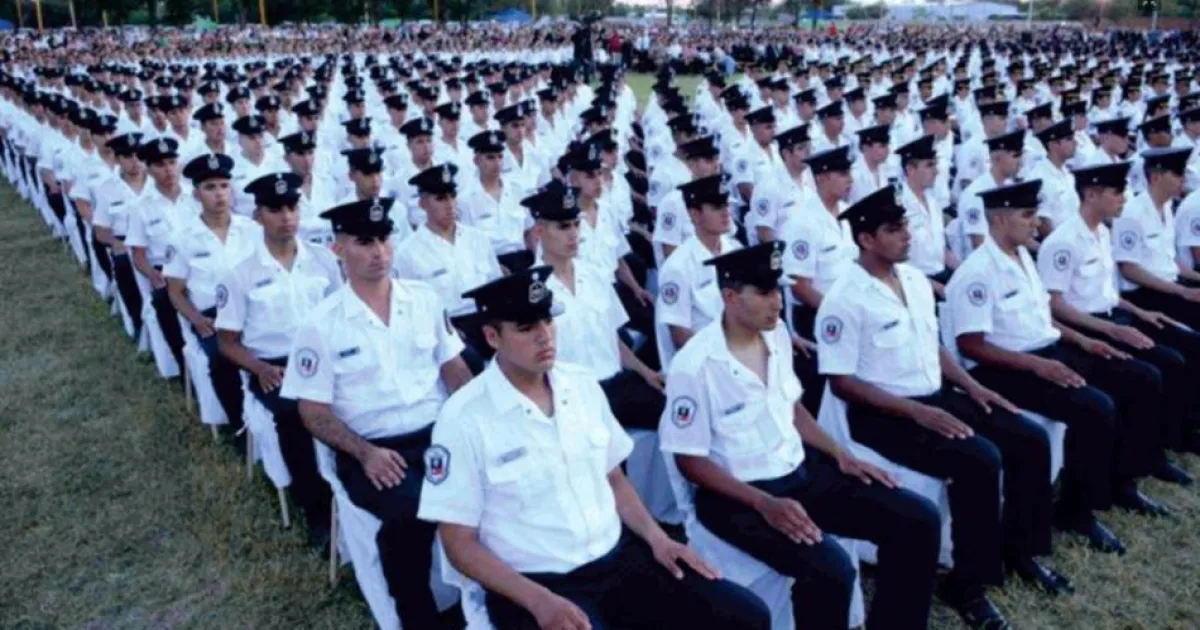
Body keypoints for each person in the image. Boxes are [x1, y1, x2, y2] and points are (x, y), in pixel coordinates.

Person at [417, 266, 771, 630]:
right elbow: (458, 542)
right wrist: (537, 600)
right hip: (536, 583)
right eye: (526, 328)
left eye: (547, 321)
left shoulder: (581, 385)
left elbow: (613, 478)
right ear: (492, 336)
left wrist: (658, 539)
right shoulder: (463, 418)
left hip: (617, 559)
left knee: (745, 616)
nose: (544, 336)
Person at [818, 186, 1071, 626]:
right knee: (979, 460)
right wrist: (916, 412)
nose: (907, 235)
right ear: (866, 239)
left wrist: (972, 387)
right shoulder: (844, 299)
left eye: (905, 226)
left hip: (934, 396)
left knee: (1026, 438)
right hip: (883, 413)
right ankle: (967, 585)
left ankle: (1020, 551)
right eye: (894, 229)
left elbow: (932, 347)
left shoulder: (915, 280)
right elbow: (842, 382)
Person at [663, 240, 942, 630]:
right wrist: (763, 503)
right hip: (737, 496)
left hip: (798, 473)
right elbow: (689, 461)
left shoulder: (776, 333)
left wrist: (840, 453)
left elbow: (790, 407)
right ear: (729, 297)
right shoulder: (694, 365)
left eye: (777, 290)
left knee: (917, 519)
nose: (778, 302)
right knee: (831, 570)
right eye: (764, 293)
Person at [280, 197, 474, 628]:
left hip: (440, 435)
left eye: (384, 238)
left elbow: (455, 371)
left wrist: (480, 427)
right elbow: (312, 411)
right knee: (410, 514)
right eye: (364, 242)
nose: (379, 252)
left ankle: (486, 609)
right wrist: (364, 453)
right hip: (372, 448)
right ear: (338, 249)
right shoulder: (320, 324)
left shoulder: (424, 300)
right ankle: (417, 617)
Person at [946, 180, 1165, 557]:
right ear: (999, 219)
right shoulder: (977, 272)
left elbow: (1041, 318)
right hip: (1003, 368)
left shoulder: (1022, 257)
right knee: (1094, 407)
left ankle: (1118, 483)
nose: (1036, 223)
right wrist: (1037, 365)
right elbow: (972, 345)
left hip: (1045, 351)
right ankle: (1073, 513)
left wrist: (1083, 341)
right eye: (1027, 215)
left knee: (1135, 375)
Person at [1039, 161, 1200, 467]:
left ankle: (1156, 449)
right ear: (1091, 195)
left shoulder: (1101, 232)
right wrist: (1108, 330)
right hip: (1083, 329)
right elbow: (1054, 305)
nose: (1123, 198)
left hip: (1112, 317)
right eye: (1116, 192)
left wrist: (1141, 312)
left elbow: (1108, 294)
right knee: (1148, 373)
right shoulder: (1063, 242)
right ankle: (1138, 460)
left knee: (1170, 359)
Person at [215, 172, 342, 549]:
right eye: (275, 209)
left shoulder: (323, 259)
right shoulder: (239, 273)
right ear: (258, 216)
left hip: (327, 358)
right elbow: (227, 343)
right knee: (294, 418)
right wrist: (260, 369)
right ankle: (317, 511)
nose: (286, 217)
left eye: (292, 207)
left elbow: (340, 314)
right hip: (274, 366)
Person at [528, 179, 665, 429]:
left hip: (616, 383)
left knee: (675, 417)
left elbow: (612, 339)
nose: (573, 234)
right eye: (563, 227)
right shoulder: (530, 292)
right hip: (573, 398)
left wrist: (647, 373)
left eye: (576, 224)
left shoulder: (595, 276)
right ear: (539, 232)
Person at [165, 153, 261, 431]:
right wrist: (196, 319)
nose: (219, 194)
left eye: (224, 186)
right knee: (222, 358)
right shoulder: (183, 238)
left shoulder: (252, 230)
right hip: (212, 316)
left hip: (254, 309)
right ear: (196, 194)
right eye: (210, 187)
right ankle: (240, 425)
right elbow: (175, 292)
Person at [125, 136, 197, 369]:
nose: (168, 170)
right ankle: (183, 367)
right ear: (148, 169)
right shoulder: (140, 207)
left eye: (172, 162)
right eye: (160, 165)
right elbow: (138, 255)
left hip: (201, 266)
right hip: (165, 272)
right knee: (163, 302)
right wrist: (152, 274)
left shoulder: (196, 197)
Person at [1114, 146, 1200, 331]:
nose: (1183, 180)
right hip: (1146, 294)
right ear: (1156, 177)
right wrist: (1183, 291)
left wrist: (1195, 279)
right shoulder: (1132, 214)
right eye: (1177, 174)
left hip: (1172, 286)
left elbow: (1170, 259)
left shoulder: (1166, 207)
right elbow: (1128, 269)